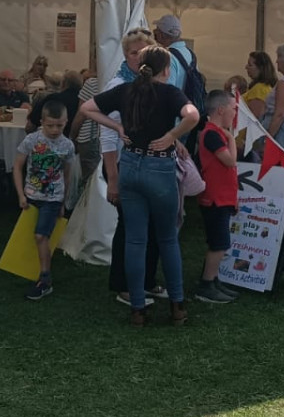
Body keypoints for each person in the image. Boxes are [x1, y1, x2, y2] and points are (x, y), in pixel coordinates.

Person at [80, 46, 199, 326]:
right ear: (166, 70)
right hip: (160, 168)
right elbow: (192, 115)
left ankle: (137, 308)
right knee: (167, 238)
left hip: (130, 166)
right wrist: (172, 135)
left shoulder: (126, 91)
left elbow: (86, 108)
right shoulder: (170, 93)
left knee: (135, 239)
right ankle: (177, 305)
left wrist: (117, 127)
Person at [97, 28, 168, 305]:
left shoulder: (152, 85)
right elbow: (107, 134)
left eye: (144, 52)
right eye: (133, 52)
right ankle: (124, 285)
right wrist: (112, 177)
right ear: (125, 54)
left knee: (150, 226)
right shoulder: (118, 85)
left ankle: (147, 280)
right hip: (122, 164)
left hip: (146, 164)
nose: (138, 57)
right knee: (129, 226)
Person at [14, 100, 76, 302]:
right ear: (41, 122)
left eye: (59, 125)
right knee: (33, 236)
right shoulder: (32, 140)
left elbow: (67, 174)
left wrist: (63, 202)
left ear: (66, 122)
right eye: (50, 125)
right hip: (32, 195)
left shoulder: (67, 145)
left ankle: (45, 278)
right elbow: (17, 167)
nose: (55, 130)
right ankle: (30, 267)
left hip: (52, 198)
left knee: (41, 236)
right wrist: (21, 195)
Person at [194, 90, 240, 304]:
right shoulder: (212, 134)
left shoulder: (215, 133)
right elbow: (230, 161)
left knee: (219, 242)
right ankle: (206, 285)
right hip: (214, 198)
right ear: (221, 110)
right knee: (219, 243)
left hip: (221, 197)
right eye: (233, 108)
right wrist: (231, 137)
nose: (235, 112)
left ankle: (213, 280)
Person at [70, 63, 101, 204]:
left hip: (90, 137)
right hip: (113, 138)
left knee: (90, 182)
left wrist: (73, 136)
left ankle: (88, 213)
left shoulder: (92, 84)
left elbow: (81, 114)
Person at [153, 15, 194, 92]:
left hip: (176, 103)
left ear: (162, 35)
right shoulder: (190, 53)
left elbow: (167, 90)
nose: (155, 32)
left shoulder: (168, 57)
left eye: (157, 30)